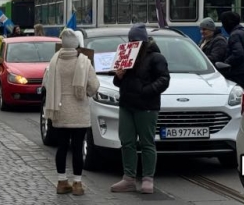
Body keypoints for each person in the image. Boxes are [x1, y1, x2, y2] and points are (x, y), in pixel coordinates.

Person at [110, 23, 170, 194]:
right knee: (127, 141)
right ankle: (128, 178)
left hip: (147, 106)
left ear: (143, 41)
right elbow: (118, 82)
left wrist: (146, 91)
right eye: (130, 40)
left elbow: (164, 79)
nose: (132, 43)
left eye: (135, 40)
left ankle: (147, 178)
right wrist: (118, 76)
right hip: (127, 104)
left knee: (146, 143)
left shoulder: (156, 57)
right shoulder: (126, 55)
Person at [43, 29, 100, 196]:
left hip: (59, 110)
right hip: (79, 112)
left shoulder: (54, 62)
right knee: (77, 148)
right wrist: (86, 93)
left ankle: (61, 181)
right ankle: (77, 184)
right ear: (76, 44)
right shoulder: (84, 61)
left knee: (61, 147)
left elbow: (46, 83)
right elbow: (94, 86)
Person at [219, 11, 244, 89]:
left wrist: (226, 62)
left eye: (223, 23)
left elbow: (238, 54)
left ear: (228, 23)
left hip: (240, 73)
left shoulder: (235, 35)